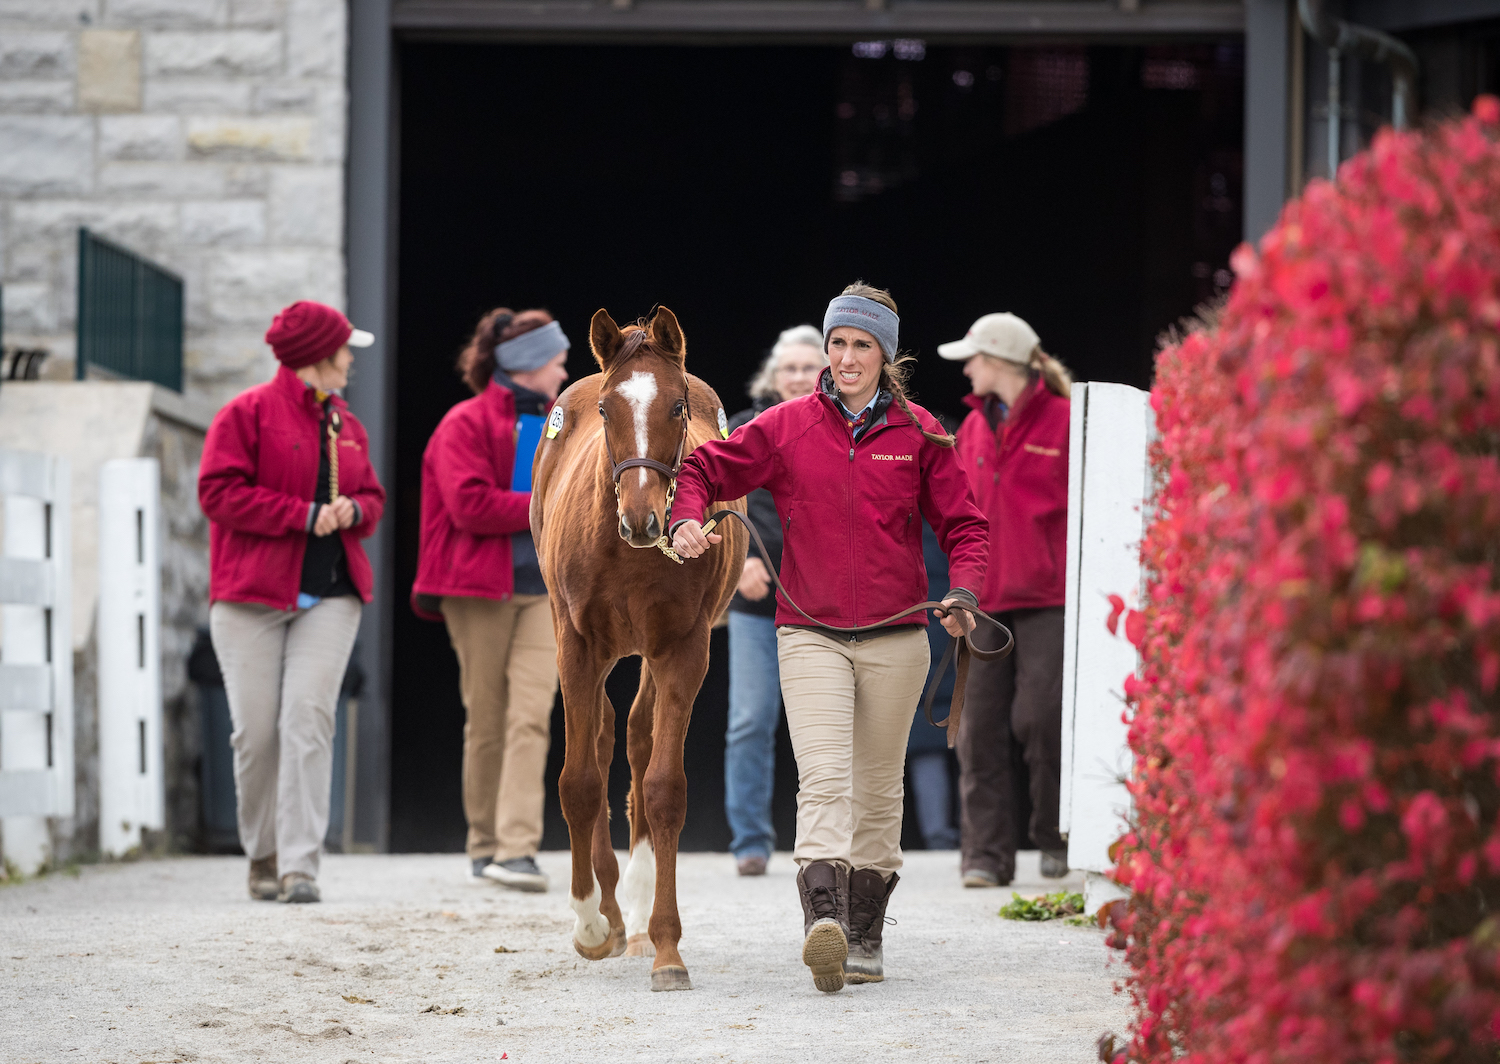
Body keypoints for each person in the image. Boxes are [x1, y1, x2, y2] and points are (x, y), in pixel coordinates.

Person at [671, 283, 988, 993]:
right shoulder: (784, 426)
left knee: (878, 792)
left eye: (861, 346)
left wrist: (964, 590)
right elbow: (702, 467)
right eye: (837, 343)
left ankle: (868, 935)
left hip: (899, 635)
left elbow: (965, 525)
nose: (847, 358)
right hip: (808, 632)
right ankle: (825, 922)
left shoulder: (922, 434)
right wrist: (684, 518)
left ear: (886, 354)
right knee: (823, 778)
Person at [199, 300, 386, 904]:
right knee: (255, 734)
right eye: (343, 351)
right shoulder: (244, 414)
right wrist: (302, 516)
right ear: (315, 357)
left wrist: (354, 510)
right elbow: (217, 493)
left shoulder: (347, 425)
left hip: (331, 597)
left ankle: (300, 865)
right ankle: (264, 854)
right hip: (249, 598)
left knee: (307, 720)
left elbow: (373, 497)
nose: (351, 362)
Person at [412, 308, 570, 893]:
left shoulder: (563, 421)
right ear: (529, 365)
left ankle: (517, 849)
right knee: (487, 718)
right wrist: (549, 505)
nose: (563, 368)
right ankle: (483, 845)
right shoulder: (464, 422)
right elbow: (470, 506)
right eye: (556, 359)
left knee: (531, 715)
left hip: (544, 591)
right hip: (475, 590)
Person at [937, 312, 1072, 886]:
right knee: (978, 725)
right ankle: (986, 857)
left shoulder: (1068, 421)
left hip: (1049, 594)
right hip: (985, 598)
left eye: (974, 357)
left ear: (1000, 361)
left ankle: (1054, 836)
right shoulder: (970, 428)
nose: (966, 368)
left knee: (1042, 718)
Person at [723, 324, 826, 878]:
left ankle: (829, 842)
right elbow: (709, 495)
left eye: (809, 368)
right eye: (789, 368)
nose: (798, 377)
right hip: (757, 606)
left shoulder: (840, 429)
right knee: (750, 720)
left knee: (828, 726)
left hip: (825, 605)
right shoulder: (743, 427)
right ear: (773, 374)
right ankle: (750, 843)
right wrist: (739, 559)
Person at [907, 518, 961, 851]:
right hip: (954, 605)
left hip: (921, 608)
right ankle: (949, 835)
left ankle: (938, 834)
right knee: (953, 723)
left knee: (926, 722)